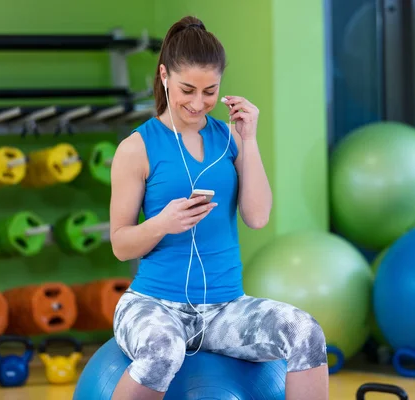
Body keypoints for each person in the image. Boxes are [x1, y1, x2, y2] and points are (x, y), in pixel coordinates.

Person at [108, 15, 329, 400]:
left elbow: (257, 217)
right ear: (164, 76)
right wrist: (162, 223)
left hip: (225, 308)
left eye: (210, 91)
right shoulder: (137, 148)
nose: (198, 103)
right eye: (187, 89)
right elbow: (121, 245)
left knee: (306, 332)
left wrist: (250, 139)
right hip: (153, 304)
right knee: (163, 351)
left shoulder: (229, 139)